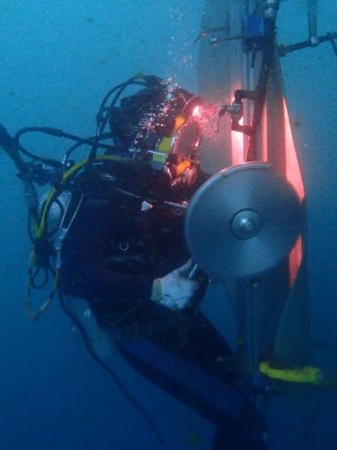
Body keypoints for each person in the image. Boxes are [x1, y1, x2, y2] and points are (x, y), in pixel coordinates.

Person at [48, 76, 269, 450]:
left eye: (195, 138)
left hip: (179, 319)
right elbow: (73, 274)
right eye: (185, 140)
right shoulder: (108, 192)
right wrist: (154, 290)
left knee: (240, 389)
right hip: (140, 332)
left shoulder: (178, 183)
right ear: (154, 143)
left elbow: (228, 200)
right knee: (244, 421)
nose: (193, 151)